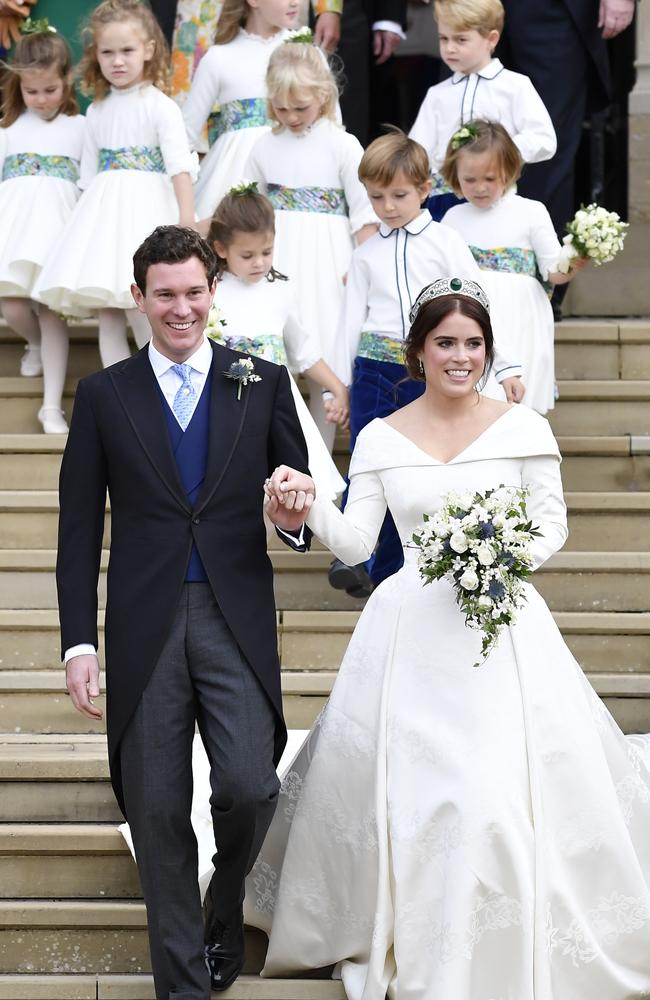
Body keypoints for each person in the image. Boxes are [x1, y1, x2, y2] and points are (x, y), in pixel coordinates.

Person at [256, 276, 650, 999]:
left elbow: (553, 524)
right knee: (427, 798)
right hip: (409, 638)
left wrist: (494, 554)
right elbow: (354, 544)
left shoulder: (524, 428)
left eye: (473, 343)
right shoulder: (379, 435)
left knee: (490, 797)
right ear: (418, 352)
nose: (460, 356)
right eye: (445, 343)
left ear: (487, 350)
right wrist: (305, 508)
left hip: (499, 629)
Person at [57, 225, 315, 1000]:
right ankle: (182, 986)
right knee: (158, 807)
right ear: (138, 299)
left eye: (194, 292)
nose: (181, 308)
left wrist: (291, 513)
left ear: (214, 291)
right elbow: (78, 529)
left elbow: (294, 495)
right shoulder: (104, 395)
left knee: (250, 785)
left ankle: (224, 907)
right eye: (164, 294)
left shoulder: (260, 380)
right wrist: (77, 642)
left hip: (233, 613)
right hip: (143, 622)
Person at [329, 129, 522, 597]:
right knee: (370, 458)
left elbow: (477, 303)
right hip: (375, 368)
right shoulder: (367, 252)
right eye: (377, 197)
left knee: (410, 465)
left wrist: (506, 365)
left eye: (399, 195)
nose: (388, 206)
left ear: (424, 189)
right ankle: (355, 553)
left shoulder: (445, 242)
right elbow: (348, 320)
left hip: (427, 371)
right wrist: (336, 387)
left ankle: (392, 569)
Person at [33, 0, 197, 368]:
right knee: (109, 312)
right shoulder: (97, 110)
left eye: (127, 51)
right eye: (108, 52)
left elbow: (179, 169)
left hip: (148, 214)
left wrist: (186, 220)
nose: (117, 61)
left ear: (148, 50)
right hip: (104, 222)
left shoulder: (160, 106)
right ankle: (120, 397)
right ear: (96, 55)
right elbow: (88, 176)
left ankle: (162, 382)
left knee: (148, 309)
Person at [246, 39, 378, 449]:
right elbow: (248, 208)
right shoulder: (264, 146)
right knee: (280, 358)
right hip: (277, 260)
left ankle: (317, 461)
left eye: (299, 109)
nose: (290, 117)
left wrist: (362, 271)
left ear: (323, 95)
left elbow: (364, 216)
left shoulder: (343, 145)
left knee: (323, 358)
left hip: (327, 263)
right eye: (281, 109)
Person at [205, 183, 348, 498]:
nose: (259, 262)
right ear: (221, 248)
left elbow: (303, 351)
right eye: (248, 255)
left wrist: (336, 387)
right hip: (226, 408)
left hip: (275, 407)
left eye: (266, 252)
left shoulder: (281, 291)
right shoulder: (210, 293)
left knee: (281, 487)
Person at [441, 120, 588, 414]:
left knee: (518, 398)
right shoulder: (453, 218)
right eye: (470, 180)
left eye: (490, 179)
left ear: (509, 171)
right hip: (472, 311)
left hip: (522, 314)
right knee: (477, 396)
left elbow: (553, 270)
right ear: (455, 176)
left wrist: (578, 258)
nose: (480, 188)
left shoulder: (531, 212)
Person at [0, 23, 84, 433]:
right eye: (32, 92)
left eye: (49, 89)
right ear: (19, 86)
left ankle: (51, 406)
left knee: (53, 314)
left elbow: (89, 185)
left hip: (59, 232)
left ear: (66, 81)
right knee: (12, 305)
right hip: (15, 232)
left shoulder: (81, 128)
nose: (41, 99)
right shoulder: (8, 130)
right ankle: (31, 341)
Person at [409, 0, 556, 221]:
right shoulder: (437, 94)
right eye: (444, 38)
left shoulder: (514, 86)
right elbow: (417, 153)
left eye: (461, 39)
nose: (450, 48)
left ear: (491, 39)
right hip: (444, 202)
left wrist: (499, 153)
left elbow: (544, 139)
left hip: (496, 198)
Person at [180, 0, 299, 220]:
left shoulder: (306, 54)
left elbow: (332, 124)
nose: (295, 2)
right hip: (232, 178)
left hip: (293, 173)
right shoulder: (219, 57)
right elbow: (184, 137)